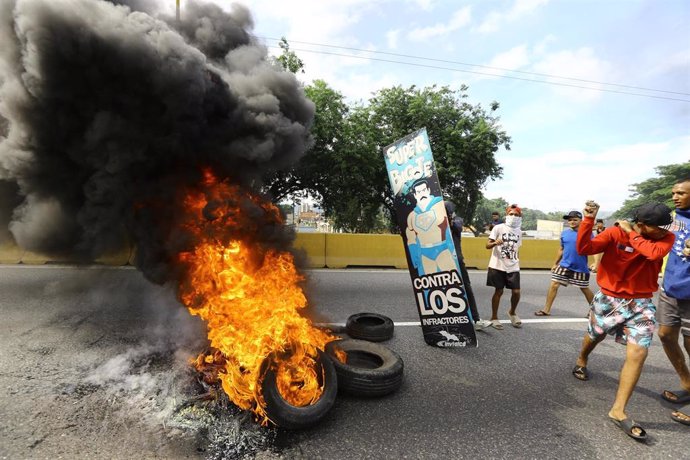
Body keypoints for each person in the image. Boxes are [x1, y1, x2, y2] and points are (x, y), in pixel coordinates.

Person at [572, 200, 675, 441]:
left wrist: (631, 233)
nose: (664, 231)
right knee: (595, 335)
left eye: (665, 227)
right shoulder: (614, 232)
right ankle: (582, 358)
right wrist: (588, 220)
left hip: (641, 303)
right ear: (642, 224)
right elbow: (584, 248)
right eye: (659, 227)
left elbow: (653, 253)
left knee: (639, 352)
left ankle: (618, 409)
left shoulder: (663, 239)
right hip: (609, 298)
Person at [657, 178, 690, 427]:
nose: (675, 196)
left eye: (681, 193)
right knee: (666, 335)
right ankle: (687, 384)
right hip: (670, 288)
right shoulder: (671, 218)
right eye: (673, 193)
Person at [534, 210, 594, 316]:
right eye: (570, 220)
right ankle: (546, 309)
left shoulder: (587, 233)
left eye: (575, 220)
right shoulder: (564, 233)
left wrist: (596, 263)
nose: (572, 222)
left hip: (580, 267)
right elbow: (561, 249)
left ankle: (594, 311)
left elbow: (595, 248)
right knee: (554, 284)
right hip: (564, 265)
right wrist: (555, 263)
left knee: (584, 288)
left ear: (581, 221)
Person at [445, 201, 493, 331]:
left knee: (466, 288)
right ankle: (432, 321)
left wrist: (449, 219)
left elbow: (457, 227)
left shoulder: (457, 220)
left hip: (456, 260)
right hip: (440, 260)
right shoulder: (433, 222)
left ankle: (476, 320)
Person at [405, 179, 456, 276]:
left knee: (452, 279)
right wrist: (414, 256)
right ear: (415, 195)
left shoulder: (439, 206)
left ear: (428, 190)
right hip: (425, 254)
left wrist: (452, 247)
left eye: (424, 190)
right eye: (419, 192)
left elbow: (447, 227)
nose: (422, 194)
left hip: (442, 249)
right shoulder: (412, 215)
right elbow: (411, 237)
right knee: (431, 285)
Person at [485, 204, 523, 329]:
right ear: (506, 215)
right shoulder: (498, 228)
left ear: (520, 217)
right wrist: (495, 242)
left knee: (516, 292)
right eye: (511, 214)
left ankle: (512, 312)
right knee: (499, 291)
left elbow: (517, 247)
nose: (513, 216)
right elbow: (487, 245)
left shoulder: (519, 232)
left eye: (516, 215)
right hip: (498, 265)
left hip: (513, 265)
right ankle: (494, 317)